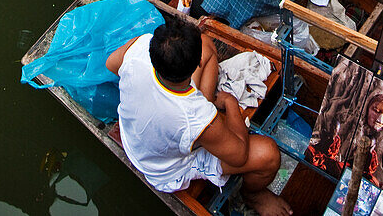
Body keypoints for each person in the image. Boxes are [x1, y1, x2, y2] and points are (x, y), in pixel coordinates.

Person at [106, 15, 291, 216]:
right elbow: (239, 155)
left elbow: (111, 64)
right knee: (268, 155)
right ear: (197, 64)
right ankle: (253, 196)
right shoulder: (196, 116)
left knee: (205, 43)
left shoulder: (139, 48)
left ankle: (194, 110)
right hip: (164, 170)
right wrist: (230, 103)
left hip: (134, 136)